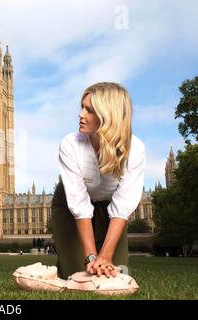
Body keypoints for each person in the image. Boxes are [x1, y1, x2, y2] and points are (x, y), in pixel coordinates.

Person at [52, 82, 145, 280]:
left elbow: (123, 206)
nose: (80, 114)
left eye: (89, 110)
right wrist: (92, 256)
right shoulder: (70, 144)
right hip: (71, 208)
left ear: (108, 117)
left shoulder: (135, 149)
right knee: (78, 274)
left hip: (110, 207)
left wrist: (105, 255)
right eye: (82, 107)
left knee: (116, 275)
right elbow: (79, 205)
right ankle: (66, 262)